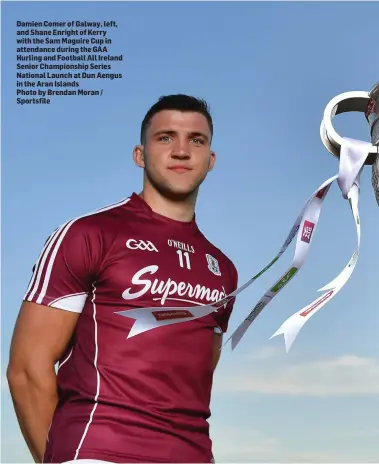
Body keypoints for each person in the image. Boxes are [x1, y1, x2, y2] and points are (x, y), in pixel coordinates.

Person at [7, 94, 238, 464]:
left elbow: (195, 377)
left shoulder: (222, 269)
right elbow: (26, 369)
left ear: (210, 161)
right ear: (140, 155)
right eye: (165, 138)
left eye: (196, 140)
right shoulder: (89, 234)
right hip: (99, 449)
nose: (181, 150)